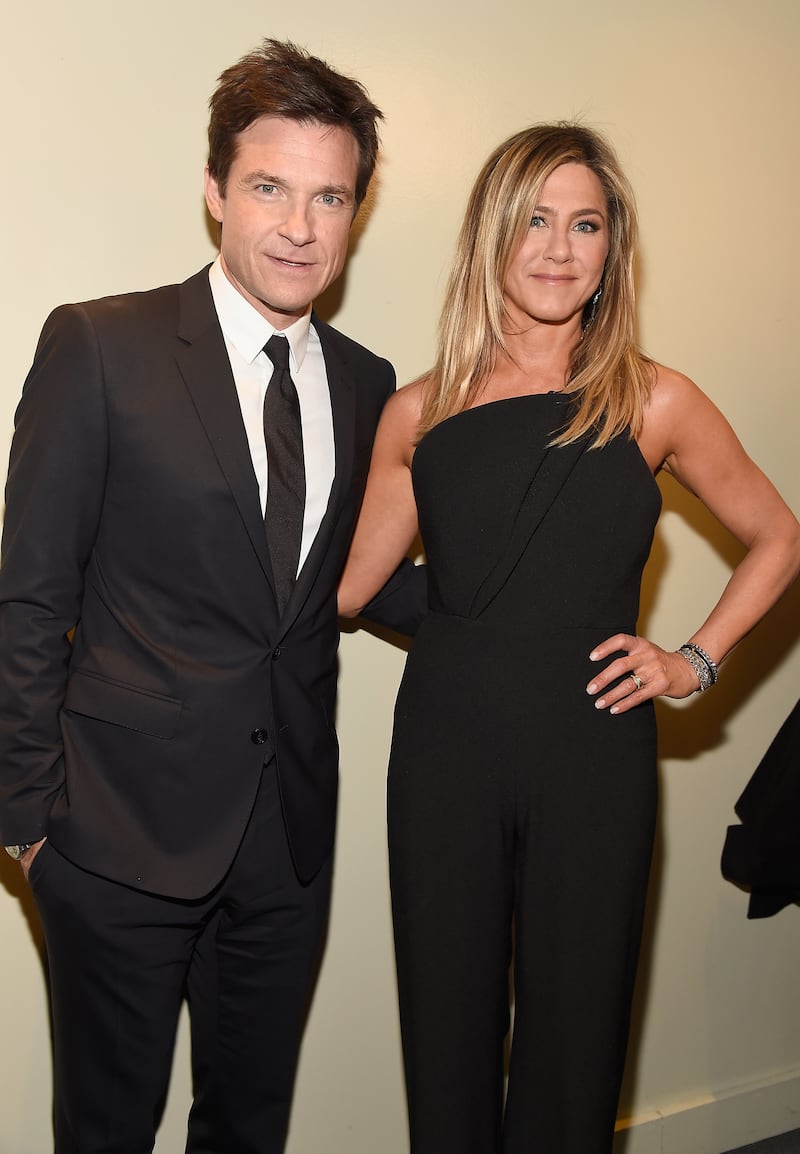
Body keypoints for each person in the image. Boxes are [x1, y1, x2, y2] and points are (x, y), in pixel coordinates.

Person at [338, 123, 800, 1154]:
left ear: (610, 246)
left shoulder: (652, 397)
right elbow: (351, 586)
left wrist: (692, 659)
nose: (557, 247)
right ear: (489, 238)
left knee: (574, 1038)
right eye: (534, 220)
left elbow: (777, 537)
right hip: (445, 752)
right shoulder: (419, 409)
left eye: (583, 223)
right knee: (444, 1033)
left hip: (593, 754)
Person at [0, 38, 423, 1154]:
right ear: (213, 193)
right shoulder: (100, 345)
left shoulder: (369, 383)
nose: (299, 224)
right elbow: (28, 596)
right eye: (269, 187)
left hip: (285, 844)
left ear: (356, 210)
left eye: (330, 195)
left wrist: (555, 626)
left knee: (248, 1127)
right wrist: (28, 826)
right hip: (113, 840)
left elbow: (346, 585)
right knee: (107, 1131)